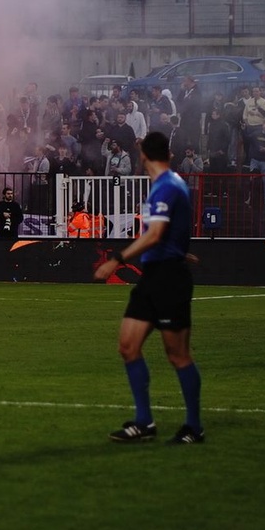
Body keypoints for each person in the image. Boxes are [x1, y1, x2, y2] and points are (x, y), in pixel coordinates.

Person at [94, 132, 204, 445]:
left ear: (142, 155)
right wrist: (180, 249)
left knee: (178, 355)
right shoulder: (170, 184)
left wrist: (115, 259)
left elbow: (154, 234)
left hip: (170, 279)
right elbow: (170, 231)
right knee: (128, 346)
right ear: (168, 153)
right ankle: (144, 422)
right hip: (154, 276)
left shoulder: (167, 186)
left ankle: (194, 427)